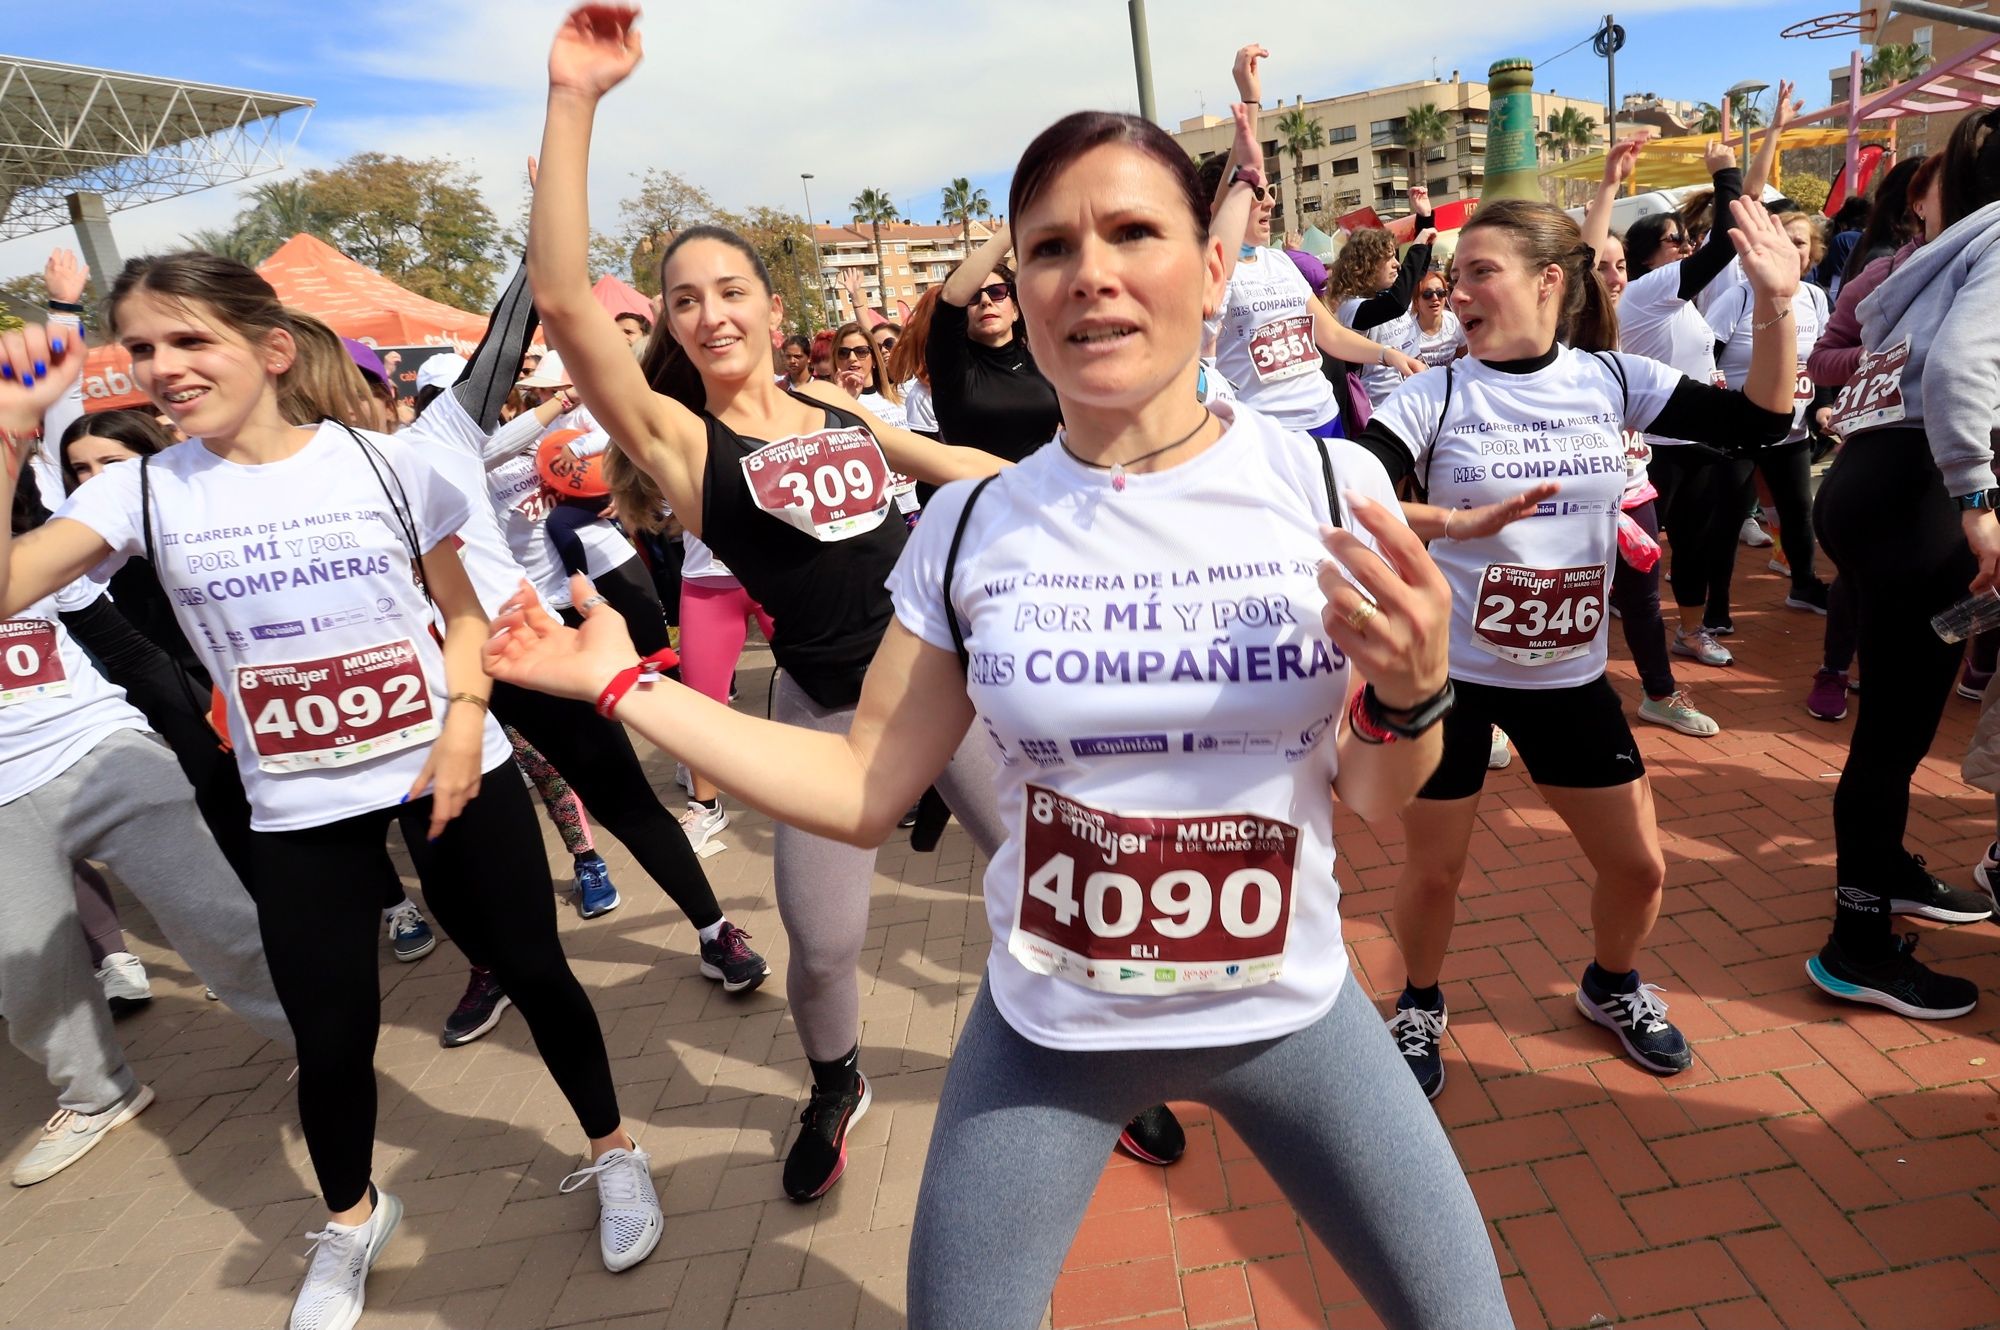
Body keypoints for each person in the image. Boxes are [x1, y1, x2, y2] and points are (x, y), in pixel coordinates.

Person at [512, 30, 1512, 1323]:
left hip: (1288, 1008)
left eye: (1132, 234)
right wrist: (623, 685)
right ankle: (841, 1079)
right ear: (1021, 291)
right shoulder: (975, 529)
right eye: (1050, 247)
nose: (1090, 274)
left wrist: (1413, 692)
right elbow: (866, 780)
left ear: (1212, 270)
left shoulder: (1330, 485)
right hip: (1052, 1028)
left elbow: (1380, 795)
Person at [530, 7, 1196, 1200]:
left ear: (770, 308)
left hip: (952, 685)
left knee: (1059, 881)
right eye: (685, 299)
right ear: (672, 326)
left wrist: (1131, 479)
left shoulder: (846, 418)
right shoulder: (686, 442)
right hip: (827, 712)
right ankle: (835, 1080)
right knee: (824, 944)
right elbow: (573, 311)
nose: (709, 311)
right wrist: (574, 100)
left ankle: (1107, 1061)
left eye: (730, 287)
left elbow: (982, 472)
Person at [0, 254, 666, 1328]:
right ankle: (353, 1216)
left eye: (188, 340)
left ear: (269, 350)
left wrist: (460, 725)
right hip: (298, 808)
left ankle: (614, 1149)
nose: (163, 368)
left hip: (448, 772)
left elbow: (459, 608)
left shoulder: (386, 463)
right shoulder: (136, 490)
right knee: (329, 1029)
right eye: (142, 349)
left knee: (537, 972)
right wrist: (11, 433)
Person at [1349, 196, 1801, 1097]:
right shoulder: (1434, 390)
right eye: (1456, 275)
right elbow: (1358, 494)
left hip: (1570, 681)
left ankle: (1611, 984)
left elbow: (1758, 424)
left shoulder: (1612, 378)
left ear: (1548, 281)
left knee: (1639, 868)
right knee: (1436, 873)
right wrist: (1451, 519)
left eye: (1482, 271)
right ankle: (1421, 1003)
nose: (1458, 290)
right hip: (1458, 682)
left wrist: (1778, 304)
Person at [1805, 106, 2000, 1019]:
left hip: (1872, 486)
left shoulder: (1937, 256)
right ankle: (1858, 944)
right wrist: (1978, 500)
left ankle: (1880, 878)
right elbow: (1964, 370)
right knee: (1892, 739)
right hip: (1919, 495)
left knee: (1893, 728)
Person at [1200, 44, 1422, 436]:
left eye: (1270, 191)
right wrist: (1250, 101)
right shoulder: (1215, 272)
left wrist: (1389, 356)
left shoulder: (1282, 262)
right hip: (1267, 435)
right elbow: (1234, 181)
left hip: (1326, 419)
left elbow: (1331, 334)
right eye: (1255, 192)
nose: (1269, 201)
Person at [1576, 139, 1721, 740]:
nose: (1614, 277)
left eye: (1621, 266)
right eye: (1603, 267)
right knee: (1559, 598)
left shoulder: (1644, 313)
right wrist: (1610, 185)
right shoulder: (1574, 325)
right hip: (1571, 494)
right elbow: (1580, 258)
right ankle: (1510, 712)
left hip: (1634, 484)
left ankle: (1659, 693)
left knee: (1641, 601)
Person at [1802, 154, 1940, 722]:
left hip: (1965, 470)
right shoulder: (1884, 274)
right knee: (1858, 582)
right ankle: (1835, 669)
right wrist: (1888, 360)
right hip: (1881, 463)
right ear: (1917, 203)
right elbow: (1823, 360)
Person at [1614, 122, 1756, 666]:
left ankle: (1690, 631)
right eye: (1675, 240)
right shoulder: (1649, 291)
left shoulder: (1680, 301)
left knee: (1693, 545)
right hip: (1653, 449)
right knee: (1636, 555)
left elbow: (1727, 240)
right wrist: (1725, 176)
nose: (1687, 246)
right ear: (1649, 254)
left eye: (1686, 238)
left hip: (1691, 443)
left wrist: (1736, 185)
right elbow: (1723, 246)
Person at [1706, 212, 1832, 617]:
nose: (1792, 249)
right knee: (1725, 520)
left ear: (1812, 252)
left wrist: (1822, 405)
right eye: (1785, 240)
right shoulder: (1739, 296)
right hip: (1739, 431)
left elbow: (1821, 361)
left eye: (1800, 242)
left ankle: (1804, 586)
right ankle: (1716, 607)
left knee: (1798, 512)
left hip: (1791, 431)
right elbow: (1707, 354)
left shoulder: (1815, 298)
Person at [1328, 211, 1438, 405]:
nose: (1397, 264)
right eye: (1389, 258)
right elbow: (1394, 305)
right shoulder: (1351, 308)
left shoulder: (1389, 292)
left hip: (1418, 396)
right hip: (1383, 409)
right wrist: (1417, 246)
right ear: (1366, 265)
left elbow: (1417, 272)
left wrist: (1424, 218)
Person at [1410, 268, 1465, 368]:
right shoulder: (1407, 328)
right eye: (1427, 294)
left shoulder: (1454, 322)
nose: (1435, 298)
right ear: (1416, 301)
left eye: (1440, 293)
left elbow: (1463, 359)